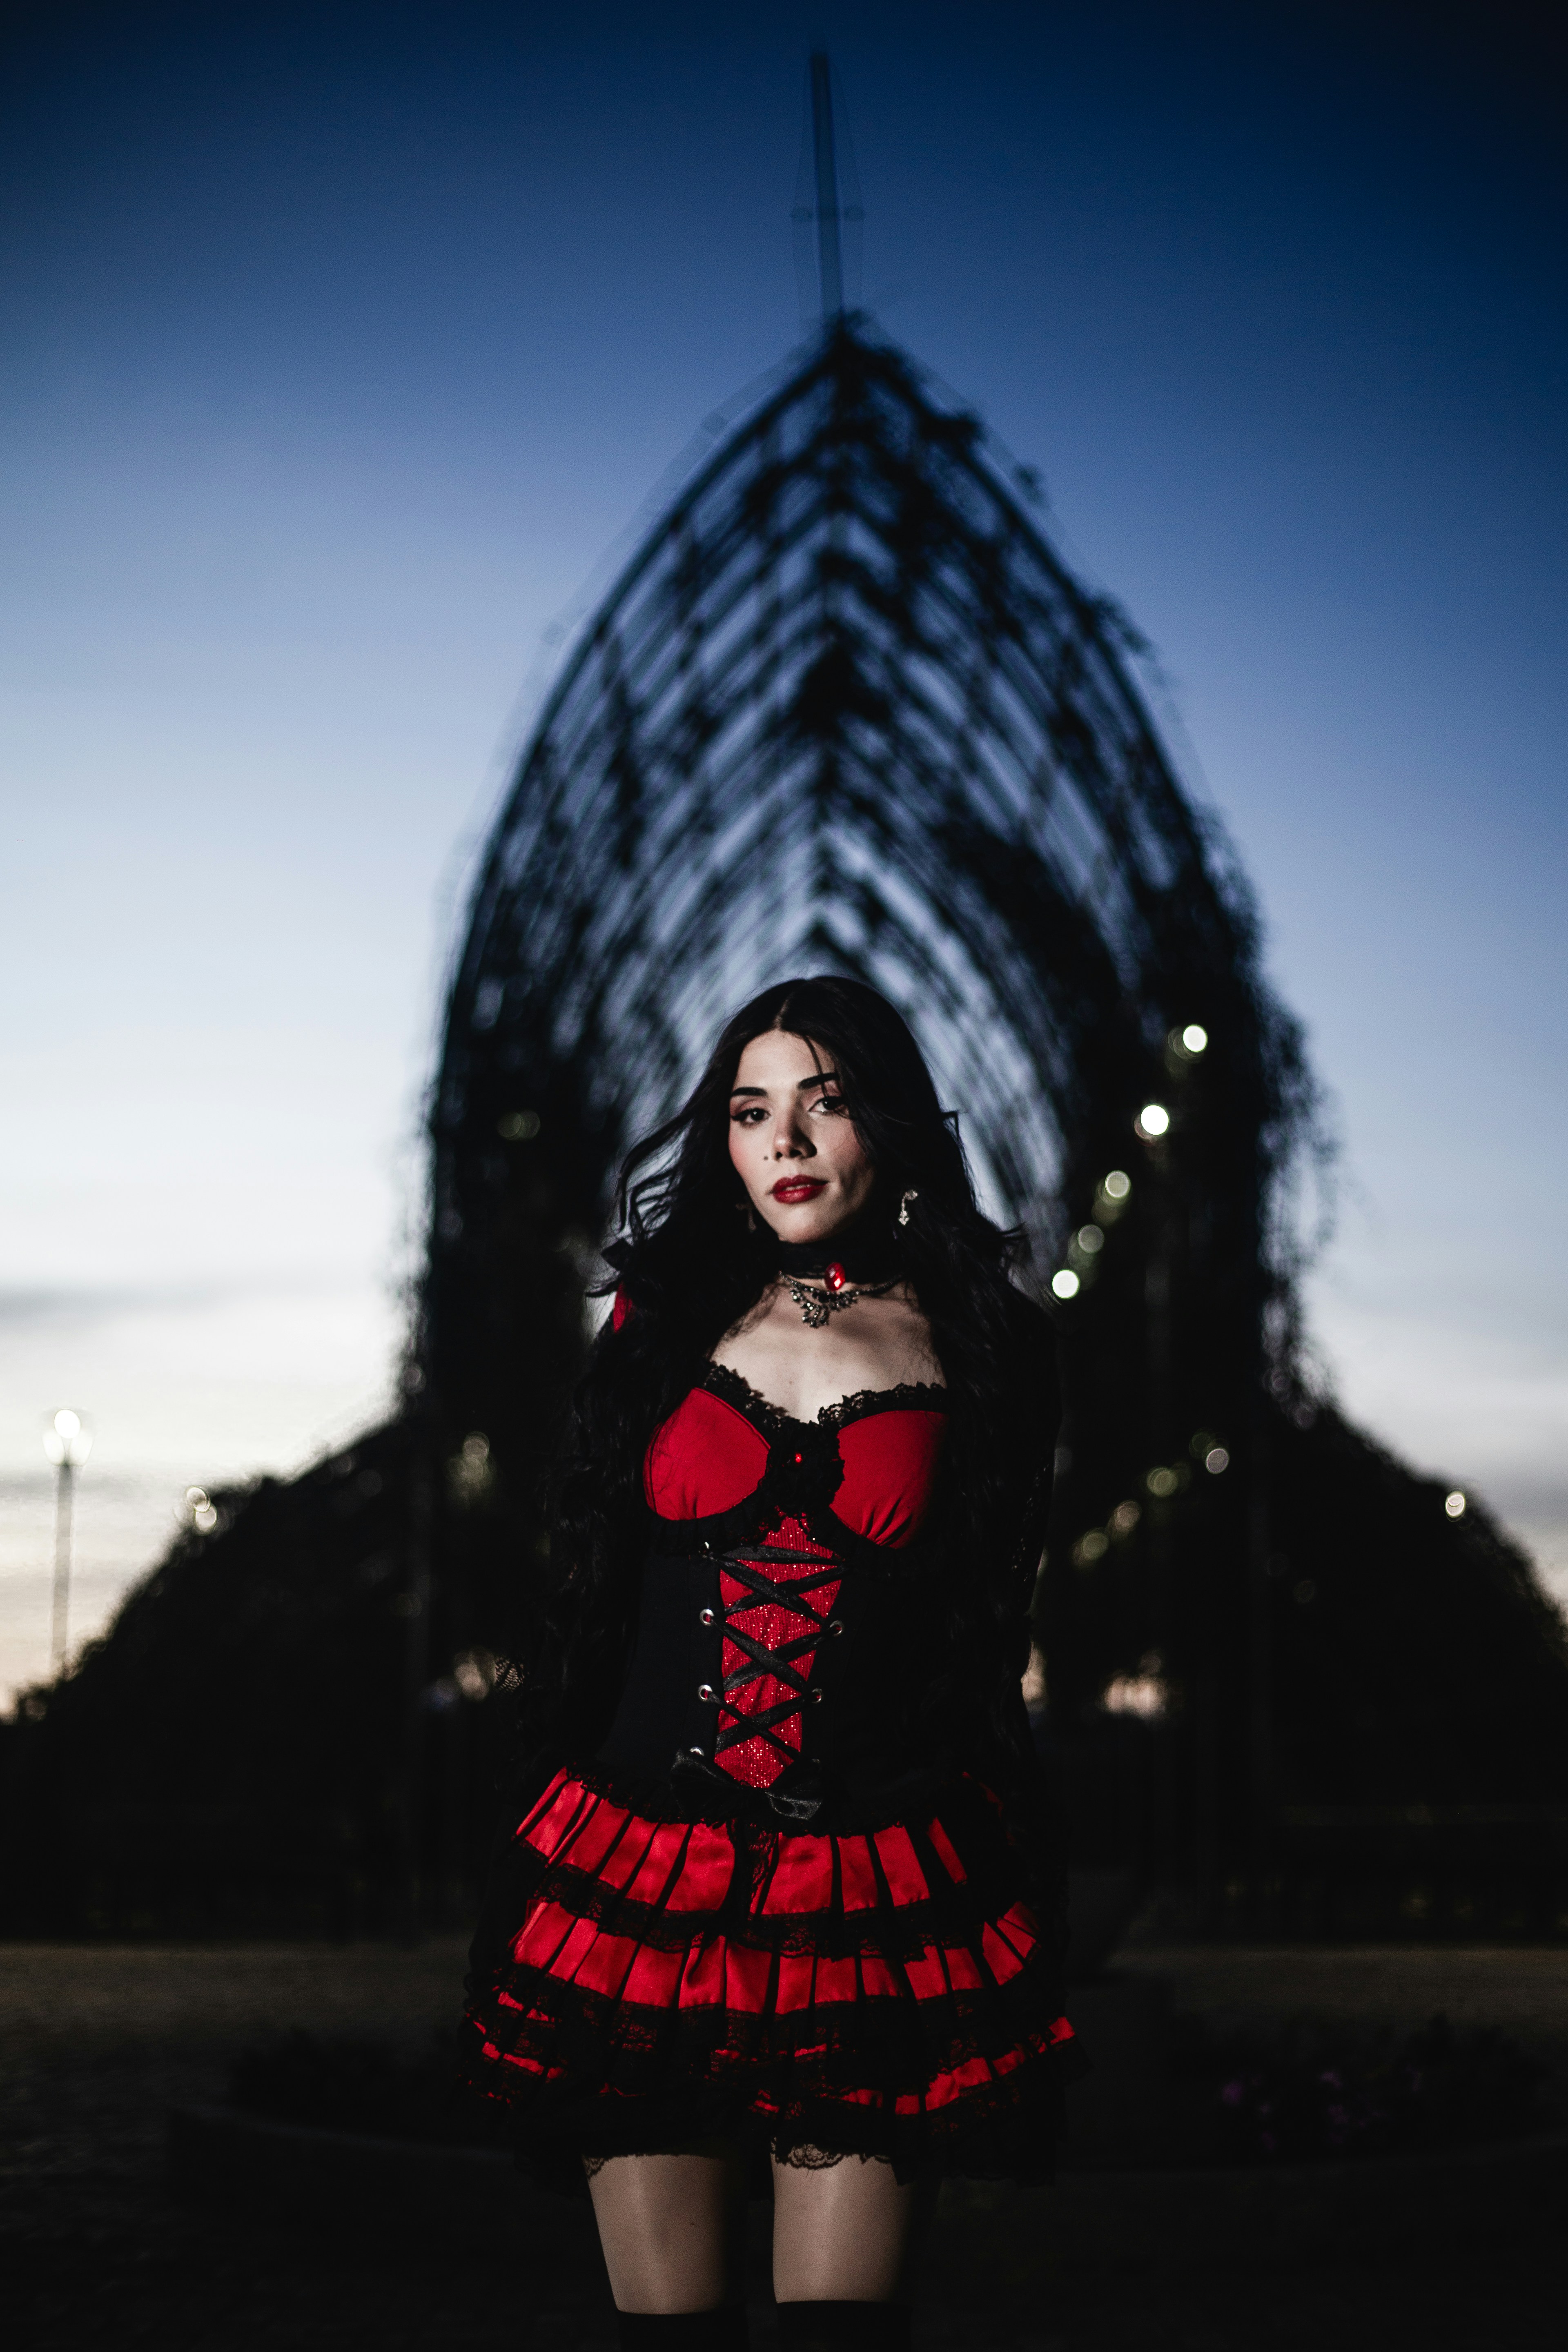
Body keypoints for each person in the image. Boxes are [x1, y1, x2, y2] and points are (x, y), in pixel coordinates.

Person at [462, 976, 1081, 2350]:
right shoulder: (661, 1324)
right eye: (751, 1112)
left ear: (891, 1124)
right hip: (642, 1877)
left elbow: (985, 1634)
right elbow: (594, 1596)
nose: (785, 1141)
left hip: (865, 1885)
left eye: (825, 1102)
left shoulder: (991, 1347)